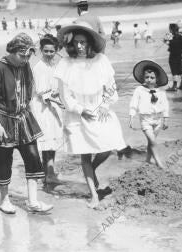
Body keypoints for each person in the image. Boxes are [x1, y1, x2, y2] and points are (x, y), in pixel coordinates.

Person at [54, 22, 127, 208]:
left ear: (90, 43)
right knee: (84, 156)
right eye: (76, 42)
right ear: (71, 43)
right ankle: (94, 195)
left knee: (109, 146)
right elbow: (64, 96)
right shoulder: (65, 63)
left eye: (83, 42)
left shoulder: (101, 61)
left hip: (99, 109)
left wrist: (106, 104)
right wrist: (79, 110)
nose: (80, 46)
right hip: (78, 113)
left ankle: (92, 169)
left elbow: (111, 89)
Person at [0, 33, 54, 214]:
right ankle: (4, 200)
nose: (25, 59)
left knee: (33, 158)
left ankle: (32, 201)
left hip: (24, 118)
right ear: (13, 51)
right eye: (22, 55)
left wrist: (34, 117)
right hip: (3, 121)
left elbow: (29, 94)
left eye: (28, 56)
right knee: (4, 161)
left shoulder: (26, 66)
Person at [32, 34, 64, 184]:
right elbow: (41, 92)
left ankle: (50, 171)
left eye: (52, 51)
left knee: (53, 140)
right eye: (46, 51)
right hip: (43, 108)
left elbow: (56, 86)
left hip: (54, 105)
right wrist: (57, 100)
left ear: (56, 50)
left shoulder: (54, 65)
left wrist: (59, 96)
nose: (49, 54)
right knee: (46, 141)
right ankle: (47, 173)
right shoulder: (39, 67)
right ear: (41, 50)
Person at [129, 60, 169, 168]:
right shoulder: (139, 90)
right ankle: (159, 163)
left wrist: (165, 119)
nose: (149, 80)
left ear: (157, 79)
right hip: (145, 120)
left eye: (152, 78)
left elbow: (165, 104)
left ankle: (147, 160)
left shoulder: (160, 90)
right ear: (143, 78)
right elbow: (134, 103)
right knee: (153, 141)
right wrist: (131, 117)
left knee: (151, 142)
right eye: (147, 77)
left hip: (158, 120)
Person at [164, 23, 182, 91]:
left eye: (170, 28)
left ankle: (174, 86)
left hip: (173, 56)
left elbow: (169, 43)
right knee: (181, 70)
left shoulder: (172, 37)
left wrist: (165, 40)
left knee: (174, 71)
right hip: (179, 55)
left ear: (172, 29)